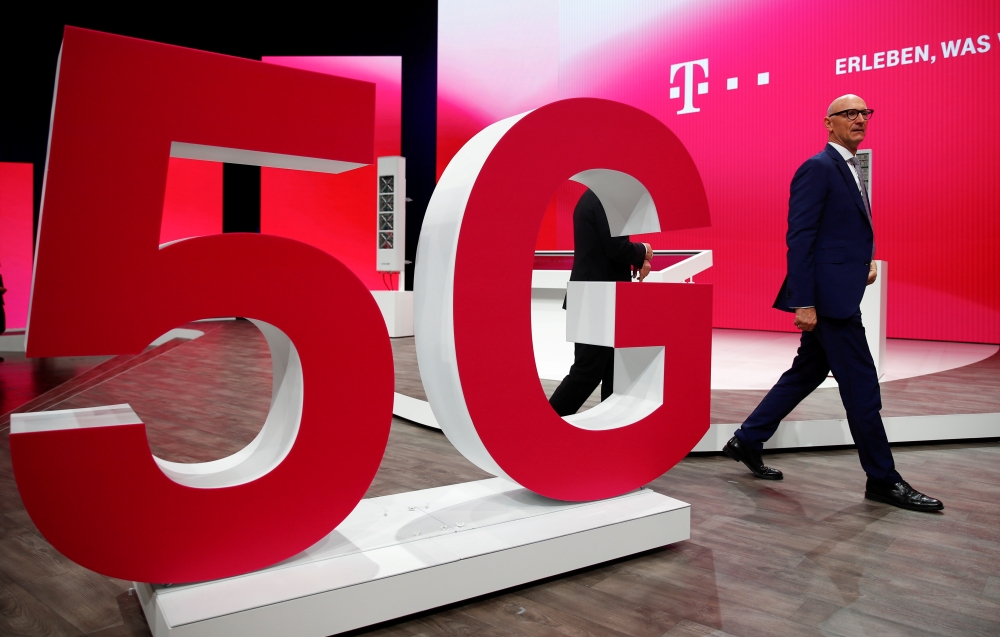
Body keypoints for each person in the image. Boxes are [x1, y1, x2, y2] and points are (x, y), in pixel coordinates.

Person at [722, 94, 943, 512]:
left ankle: (746, 439)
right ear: (829, 122)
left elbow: (839, 233)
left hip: (839, 291)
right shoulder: (818, 167)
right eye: (850, 113)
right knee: (862, 389)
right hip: (826, 303)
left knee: (804, 374)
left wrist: (862, 265)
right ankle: (882, 479)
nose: (860, 119)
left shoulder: (851, 166)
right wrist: (803, 302)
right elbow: (800, 239)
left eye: (865, 113)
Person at [549, 188, 651, 416]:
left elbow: (605, 250)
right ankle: (545, 424)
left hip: (597, 297)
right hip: (595, 299)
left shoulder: (593, 197)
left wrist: (636, 258)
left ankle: (609, 424)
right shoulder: (606, 199)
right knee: (588, 371)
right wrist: (644, 251)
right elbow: (616, 248)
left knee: (612, 370)